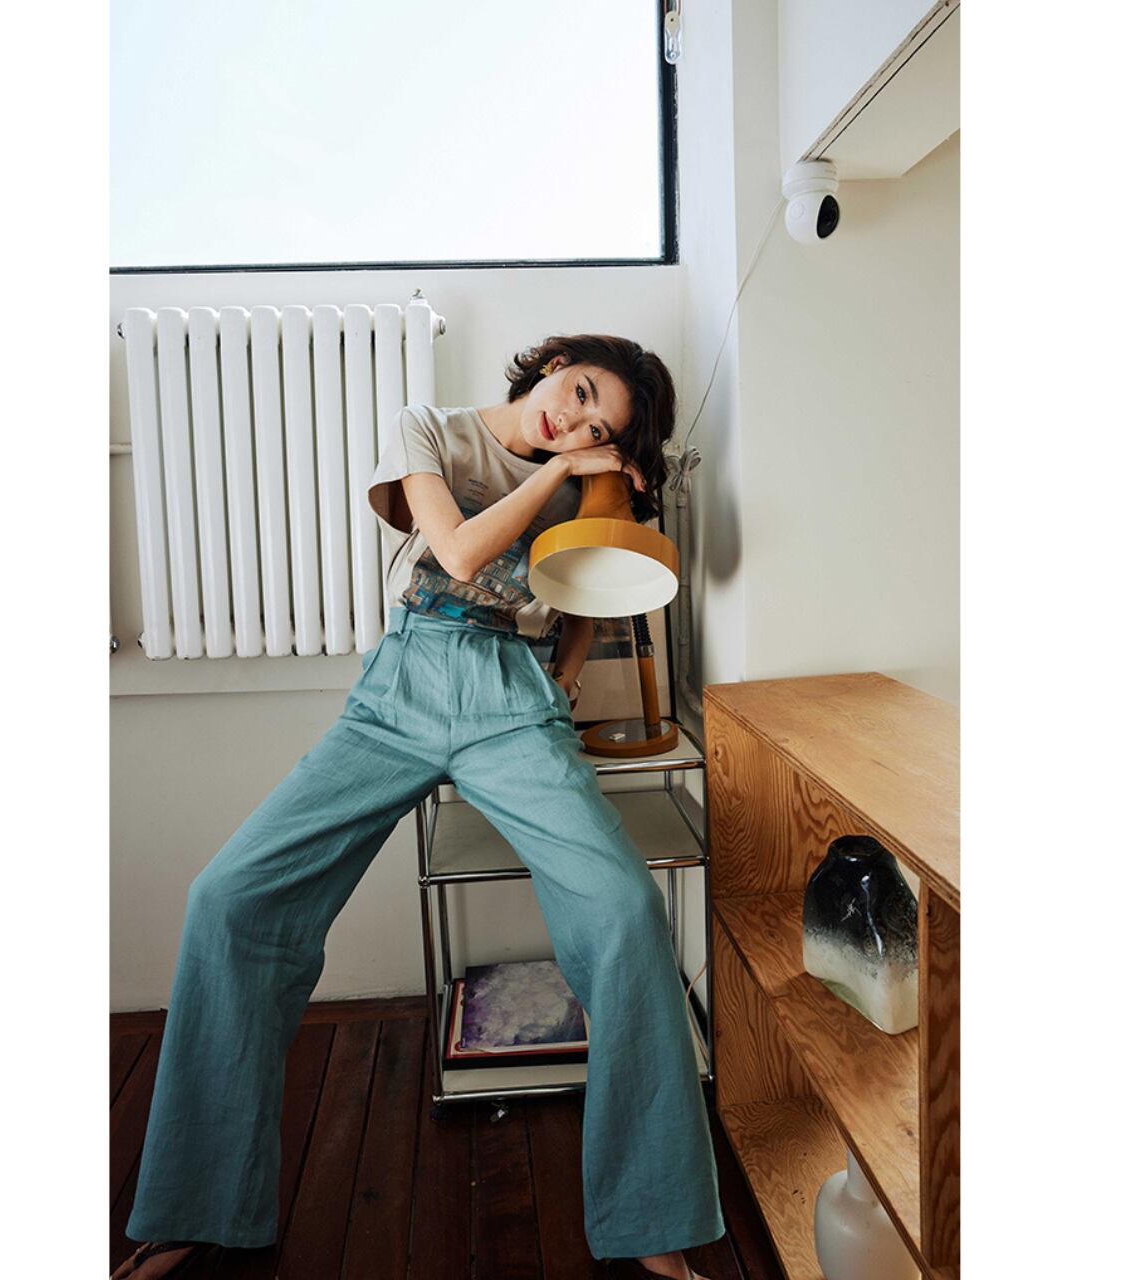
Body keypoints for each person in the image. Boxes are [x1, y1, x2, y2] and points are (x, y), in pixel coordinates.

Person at [112, 335, 724, 1280]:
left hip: (511, 698)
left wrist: (562, 674)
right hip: (401, 687)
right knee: (229, 900)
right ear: (555, 362)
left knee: (624, 908)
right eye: (579, 392)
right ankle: (196, 1208)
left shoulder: (587, 485)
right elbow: (460, 549)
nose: (574, 422)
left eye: (597, 426)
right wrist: (563, 467)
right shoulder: (429, 429)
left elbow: (591, 590)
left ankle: (654, 1221)